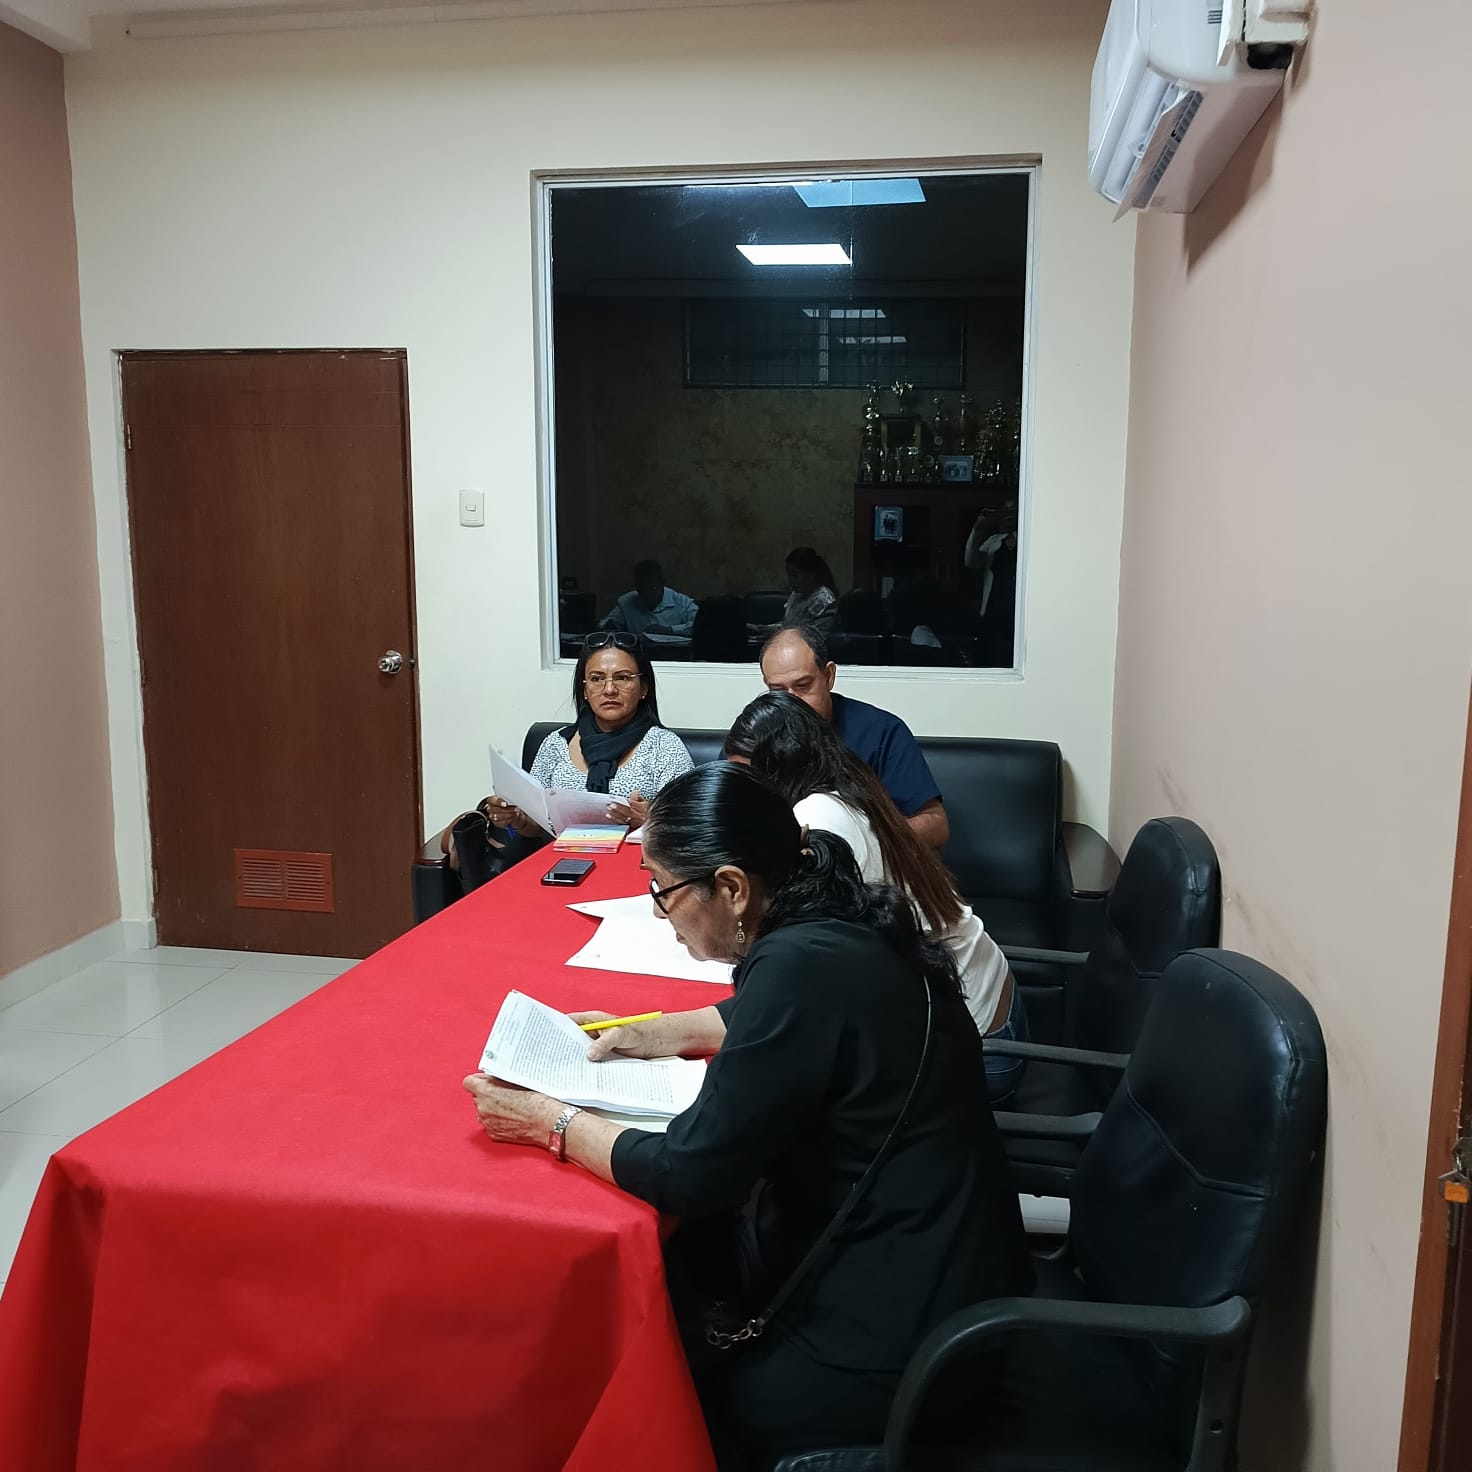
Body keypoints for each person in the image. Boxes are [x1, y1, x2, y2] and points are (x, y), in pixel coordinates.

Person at [462, 763, 1031, 1466]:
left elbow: (688, 1175)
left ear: (731, 888)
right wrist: (651, 1031)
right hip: (956, 1273)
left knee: (660, 1406)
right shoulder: (838, 921)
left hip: (912, 1340)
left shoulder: (796, 964)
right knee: (695, 1278)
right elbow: (778, 1016)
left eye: (663, 890)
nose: (660, 913)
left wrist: (548, 1120)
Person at [724, 691, 1027, 1100]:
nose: (742, 792)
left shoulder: (818, 824)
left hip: (981, 1050)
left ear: (779, 768)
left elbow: (798, 967)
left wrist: (734, 935)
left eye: (747, 777)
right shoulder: (845, 786)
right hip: (990, 1006)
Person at [438, 632, 692, 866]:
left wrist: (650, 821)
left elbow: (692, 828)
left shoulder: (664, 747)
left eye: (623, 678)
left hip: (636, 869)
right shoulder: (555, 744)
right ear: (585, 689)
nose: (609, 689)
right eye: (596, 679)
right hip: (557, 866)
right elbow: (535, 827)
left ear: (643, 688)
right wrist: (515, 819)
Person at [758, 624, 950, 849]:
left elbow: (936, 826)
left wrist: (863, 843)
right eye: (778, 691)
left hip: (867, 863)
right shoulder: (753, 735)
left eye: (803, 686)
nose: (793, 703)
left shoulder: (880, 732)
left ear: (828, 676)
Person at [601, 558, 699, 639]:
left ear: (663, 583)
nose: (649, 593)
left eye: (653, 587)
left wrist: (670, 630)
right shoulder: (627, 602)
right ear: (637, 588)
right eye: (643, 588)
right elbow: (607, 623)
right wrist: (610, 626)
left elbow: (700, 625)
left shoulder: (681, 602)